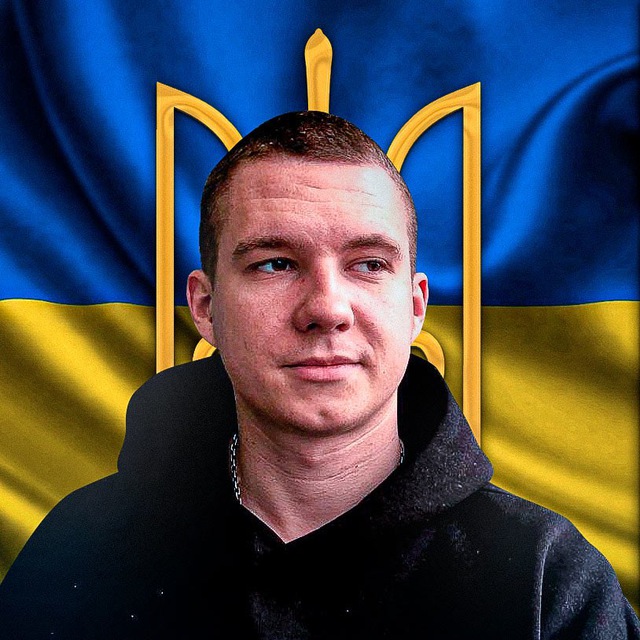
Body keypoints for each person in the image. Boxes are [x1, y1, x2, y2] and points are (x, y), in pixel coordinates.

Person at [0, 111, 637, 639]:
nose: (327, 308)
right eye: (275, 263)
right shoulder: (82, 554)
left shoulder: (544, 580)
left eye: (368, 264)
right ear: (205, 307)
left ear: (415, 306)